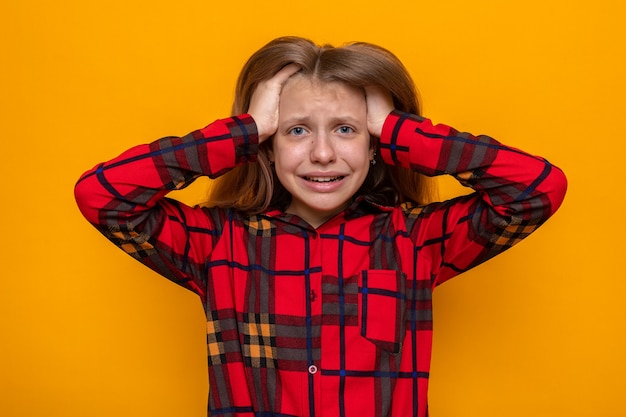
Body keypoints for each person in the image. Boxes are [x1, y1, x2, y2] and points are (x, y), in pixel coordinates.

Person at [74, 36, 567, 417]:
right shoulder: (217, 243)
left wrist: (398, 128)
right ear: (268, 145)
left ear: (375, 145)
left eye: (347, 129)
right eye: (296, 130)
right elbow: (103, 196)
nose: (323, 153)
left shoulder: (413, 240)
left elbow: (537, 189)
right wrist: (245, 129)